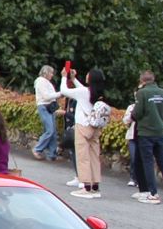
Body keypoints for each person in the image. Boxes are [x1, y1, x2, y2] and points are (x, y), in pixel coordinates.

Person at [133, 69, 163, 204]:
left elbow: (137, 113)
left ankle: (153, 193)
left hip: (146, 132)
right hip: (160, 132)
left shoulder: (142, 93)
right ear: (153, 79)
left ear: (142, 81)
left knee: (148, 162)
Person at [61, 67, 107, 198]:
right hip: (95, 127)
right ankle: (95, 186)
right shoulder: (99, 94)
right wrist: (74, 79)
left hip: (83, 126)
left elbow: (64, 91)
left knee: (83, 157)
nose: (86, 75)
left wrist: (64, 77)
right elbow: (83, 91)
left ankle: (86, 187)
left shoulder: (83, 92)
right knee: (94, 156)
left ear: (91, 78)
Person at [32, 64, 62, 162]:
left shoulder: (46, 82)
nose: (52, 75)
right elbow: (46, 96)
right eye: (51, 73)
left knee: (53, 132)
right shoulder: (41, 81)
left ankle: (52, 154)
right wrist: (60, 94)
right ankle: (37, 149)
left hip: (49, 107)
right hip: (44, 107)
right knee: (50, 130)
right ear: (46, 73)